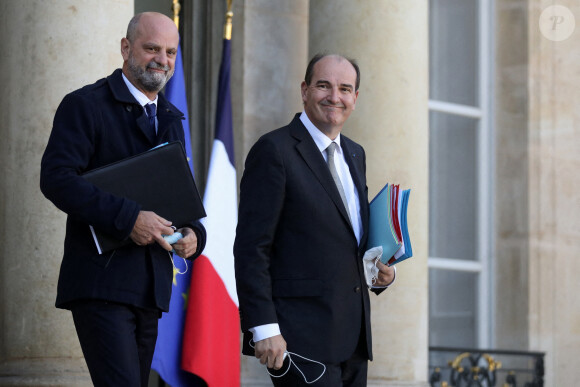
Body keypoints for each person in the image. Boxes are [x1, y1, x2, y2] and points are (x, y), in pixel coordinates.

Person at [40, 12, 206, 387]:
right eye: (152, 48)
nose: (162, 60)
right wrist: (130, 218)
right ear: (126, 48)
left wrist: (193, 233)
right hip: (101, 283)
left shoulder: (170, 116)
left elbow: (177, 195)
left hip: (150, 288)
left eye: (170, 52)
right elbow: (56, 179)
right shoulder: (85, 105)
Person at [234, 53, 396, 386]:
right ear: (305, 90)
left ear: (355, 98)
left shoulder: (355, 153)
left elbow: (344, 239)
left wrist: (379, 273)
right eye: (324, 86)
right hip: (299, 342)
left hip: (353, 340)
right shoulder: (274, 150)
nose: (334, 97)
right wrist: (264, 327)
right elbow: (252, 249)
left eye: (345, 89)